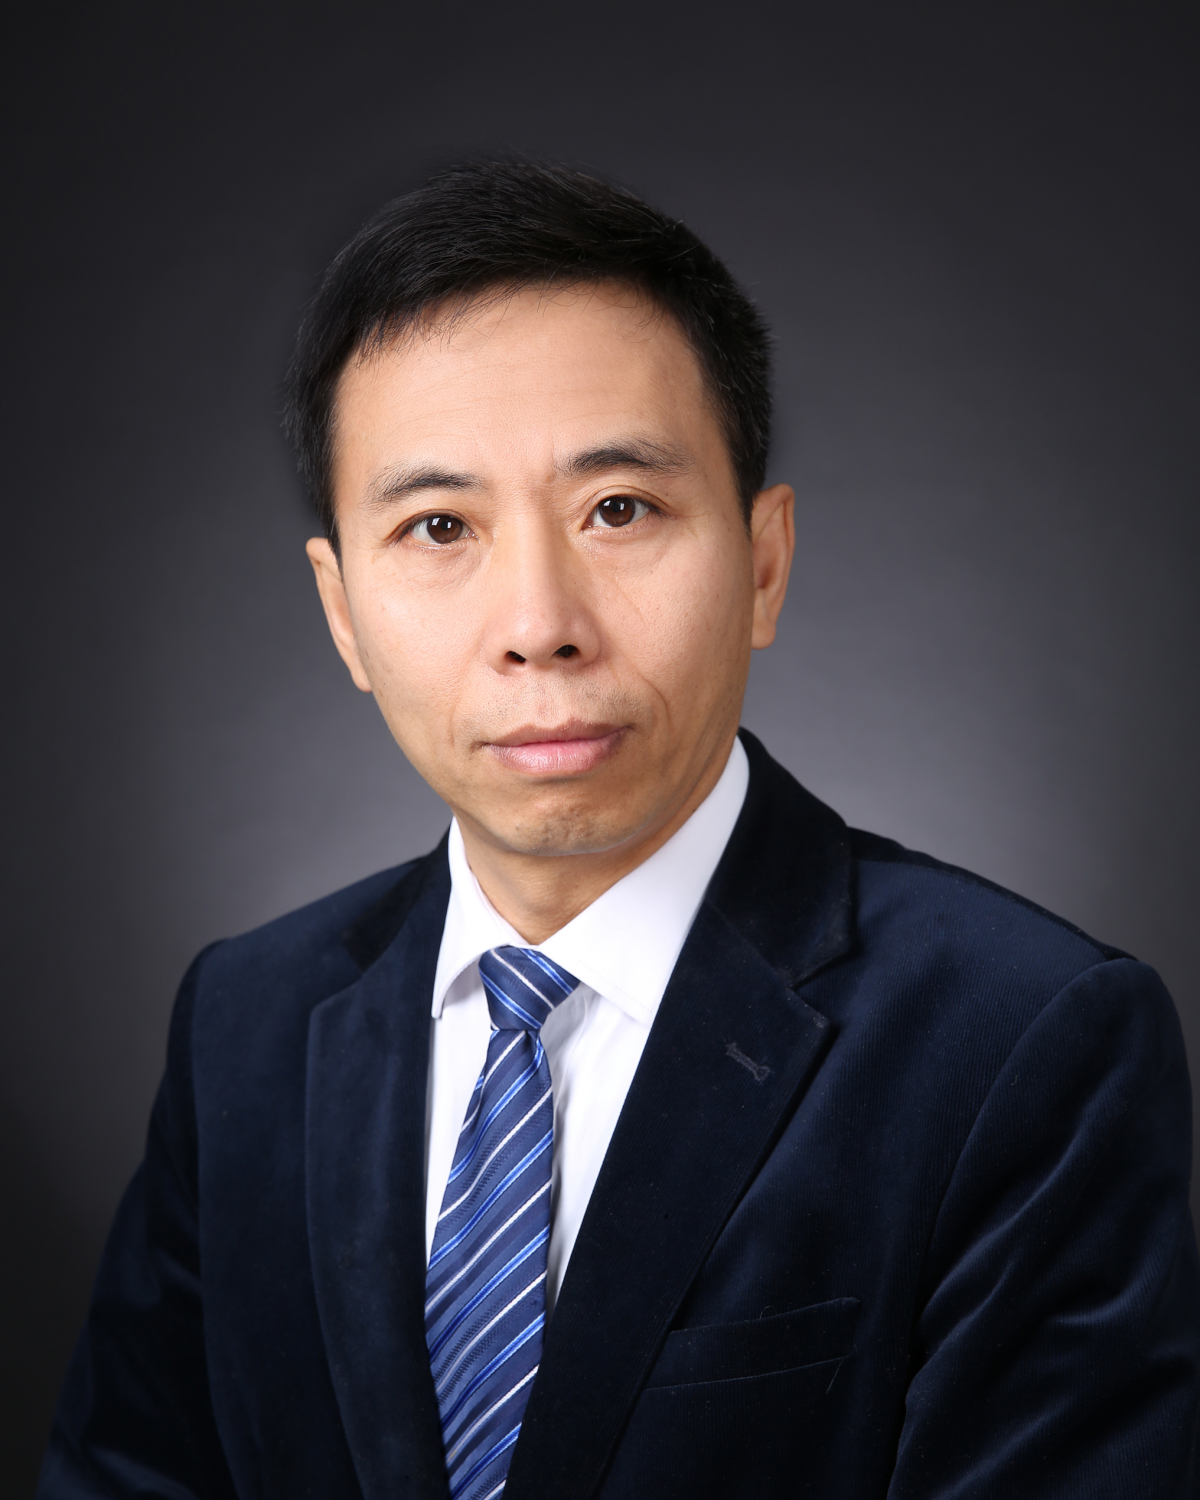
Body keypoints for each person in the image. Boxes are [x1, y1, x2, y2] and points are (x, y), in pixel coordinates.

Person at [39, 161, 1200, 1500]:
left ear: (764, 562)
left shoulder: (1025, 1043)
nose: (540, 624)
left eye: (619, 509)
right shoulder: (245, 1025)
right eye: (437, 526)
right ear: (342, 613)